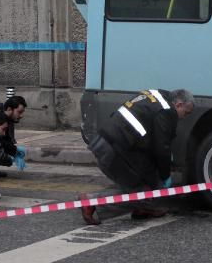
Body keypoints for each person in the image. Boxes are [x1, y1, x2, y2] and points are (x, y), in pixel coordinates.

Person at [80, 89, 194, 225]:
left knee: (142, 183)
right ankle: (92, 202)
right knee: (146, 193)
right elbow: (162, 149)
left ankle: (144, 209)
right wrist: (165, 177)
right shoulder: (167, 111)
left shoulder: (156, 95)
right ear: (179, 104)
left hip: (104, 142)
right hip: (114, 151)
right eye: (185, 113)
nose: (183, 117)